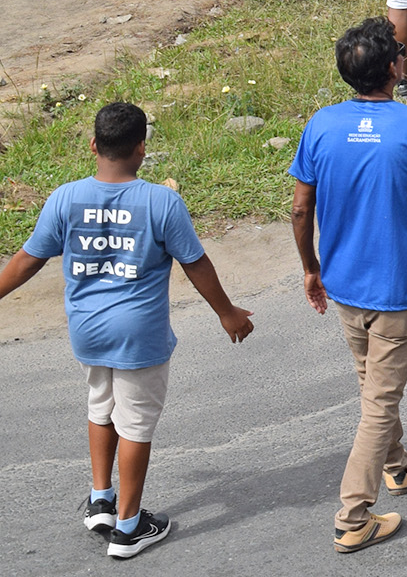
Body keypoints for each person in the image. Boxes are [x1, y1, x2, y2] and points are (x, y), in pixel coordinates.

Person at [0, 102, 254, 560]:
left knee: (101, 406)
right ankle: (129, 527)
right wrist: (227, 312)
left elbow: (26, 260)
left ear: (93, 145)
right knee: (135, 422)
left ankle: (101, 500)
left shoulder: (65, 198)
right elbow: (196, 264)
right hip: (139, 336)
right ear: (141, 148)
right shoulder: (161, 202)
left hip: (87, 331)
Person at [289, 20, 407, 554]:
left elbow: (300, 209)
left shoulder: (321, 125)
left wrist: (311, 267)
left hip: (344, 285)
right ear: (393, 68)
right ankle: (353, 517)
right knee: (379, 401)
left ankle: (396, 462)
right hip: (397, 289)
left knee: (373, 385)